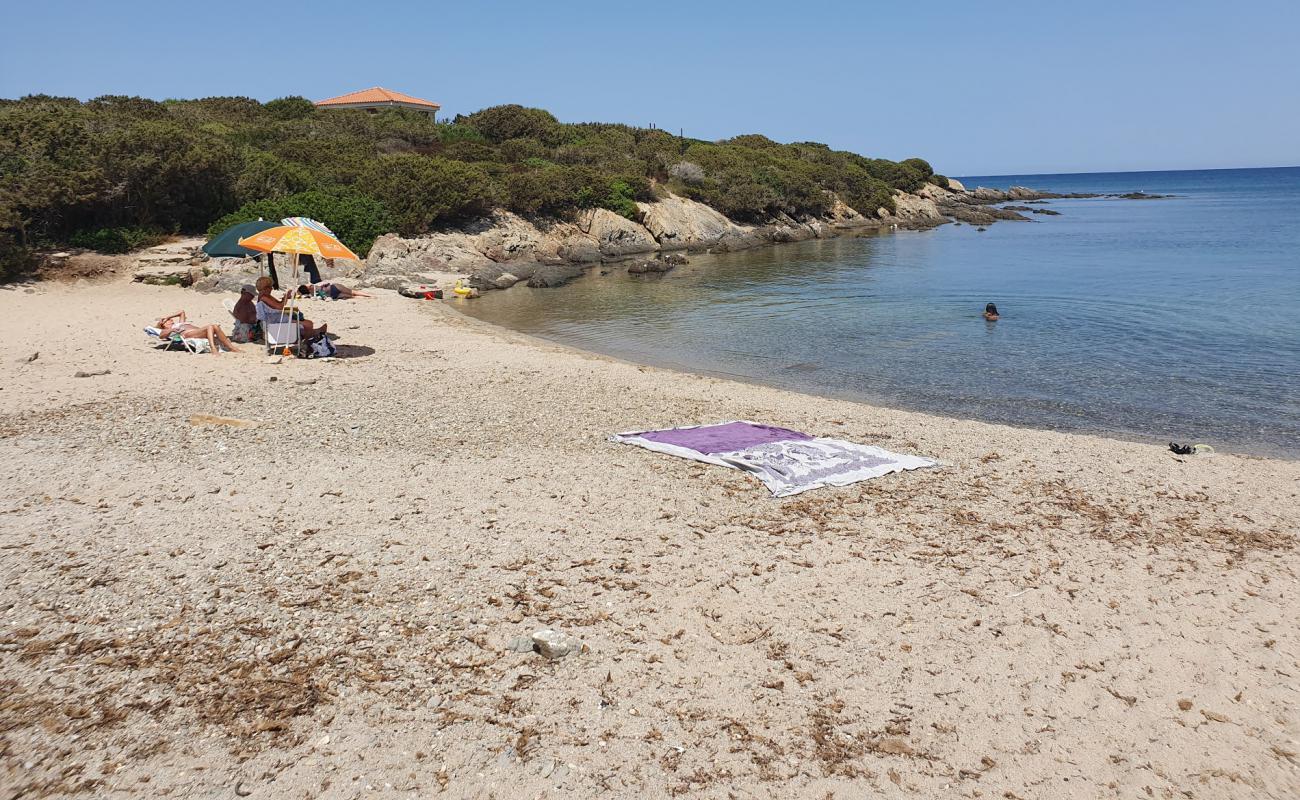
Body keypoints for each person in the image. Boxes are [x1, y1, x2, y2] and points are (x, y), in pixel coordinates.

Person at [255, 276, 327, 339]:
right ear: (265, 288)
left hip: (277, 319)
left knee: (306, 323)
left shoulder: (265, 296)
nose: (271, 289)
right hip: (277, 322)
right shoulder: (264, 298)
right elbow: (280, 307)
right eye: (270, 287)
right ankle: (310, 339)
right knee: (308, 324)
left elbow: (279, 303)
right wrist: (286, 297)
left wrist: (286, 297)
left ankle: (316, 332)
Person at [156, 311, 239, 355]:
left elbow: (181, 312)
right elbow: (161, 336)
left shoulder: (179, 323)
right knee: (210, 326)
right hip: (188, 335)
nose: (171, 320)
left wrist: (167, 317)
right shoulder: (168, 329)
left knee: (215, 326)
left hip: (199, 332)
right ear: (164, 325)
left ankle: (232, 348)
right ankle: (213, 348)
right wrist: (171, 330)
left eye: (170, 319)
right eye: (168, 321)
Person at [297, 282, 373, 300]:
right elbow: (308, 284)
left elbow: (302, 295)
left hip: (332, 295)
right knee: (353, 292)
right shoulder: (311, 286)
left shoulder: (310, 294)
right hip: (333, 288)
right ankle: (370, 296)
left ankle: (368, 298)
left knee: (351, 296)